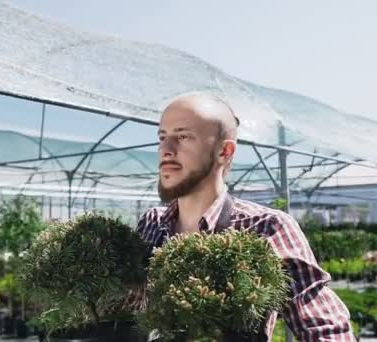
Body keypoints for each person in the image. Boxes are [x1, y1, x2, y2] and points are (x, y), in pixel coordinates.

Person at [136, 93, 356, 341]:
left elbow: (326, 330)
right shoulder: (151, 224)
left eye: (183, 136)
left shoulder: (266, 228)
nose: (166, 150)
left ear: (224, 151)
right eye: (163, 137)